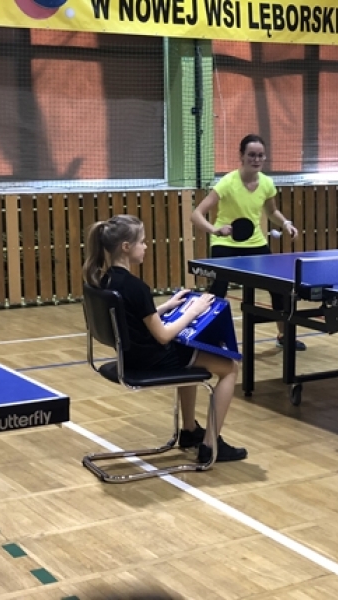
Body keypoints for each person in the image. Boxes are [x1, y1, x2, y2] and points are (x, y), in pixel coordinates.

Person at [83, 214, 246, 463]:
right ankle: (210, 445)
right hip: (151, 359)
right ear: (126, 247)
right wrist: (193, 310)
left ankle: (189, 430)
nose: (146, 246)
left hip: (131, 355)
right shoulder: (136, 287)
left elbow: (133, 317)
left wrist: (166, 306)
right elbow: (163, 336)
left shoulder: (106, 280)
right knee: (230, 367)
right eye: (142, 242)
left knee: (191, 354)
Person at [191, 134, 306, 351]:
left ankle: (284, 335)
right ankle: (205, 337)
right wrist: (215, 230)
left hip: (255, 243)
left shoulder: (267, 183)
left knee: (279, 287)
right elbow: (196, 214)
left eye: (260, 155)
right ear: (241, 156)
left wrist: (286, 223)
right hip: (225, 243)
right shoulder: (227, 183)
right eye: (251, 155)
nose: (256, 159)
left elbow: (271, 211)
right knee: (218, 290)